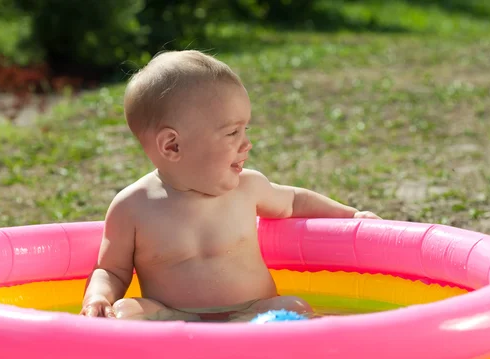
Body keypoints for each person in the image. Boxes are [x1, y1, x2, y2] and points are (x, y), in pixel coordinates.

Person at [80, 50, 380, 322]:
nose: (247, 143)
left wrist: (351, 217)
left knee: (295, 306)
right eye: (232, 132)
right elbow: (111, 270)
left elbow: (293, 202)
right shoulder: (133, 207)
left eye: (245, 129)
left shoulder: (248, 187)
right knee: (126, 312)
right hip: (175, 319)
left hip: (253, 313)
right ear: (172, 146)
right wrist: (98, 298)